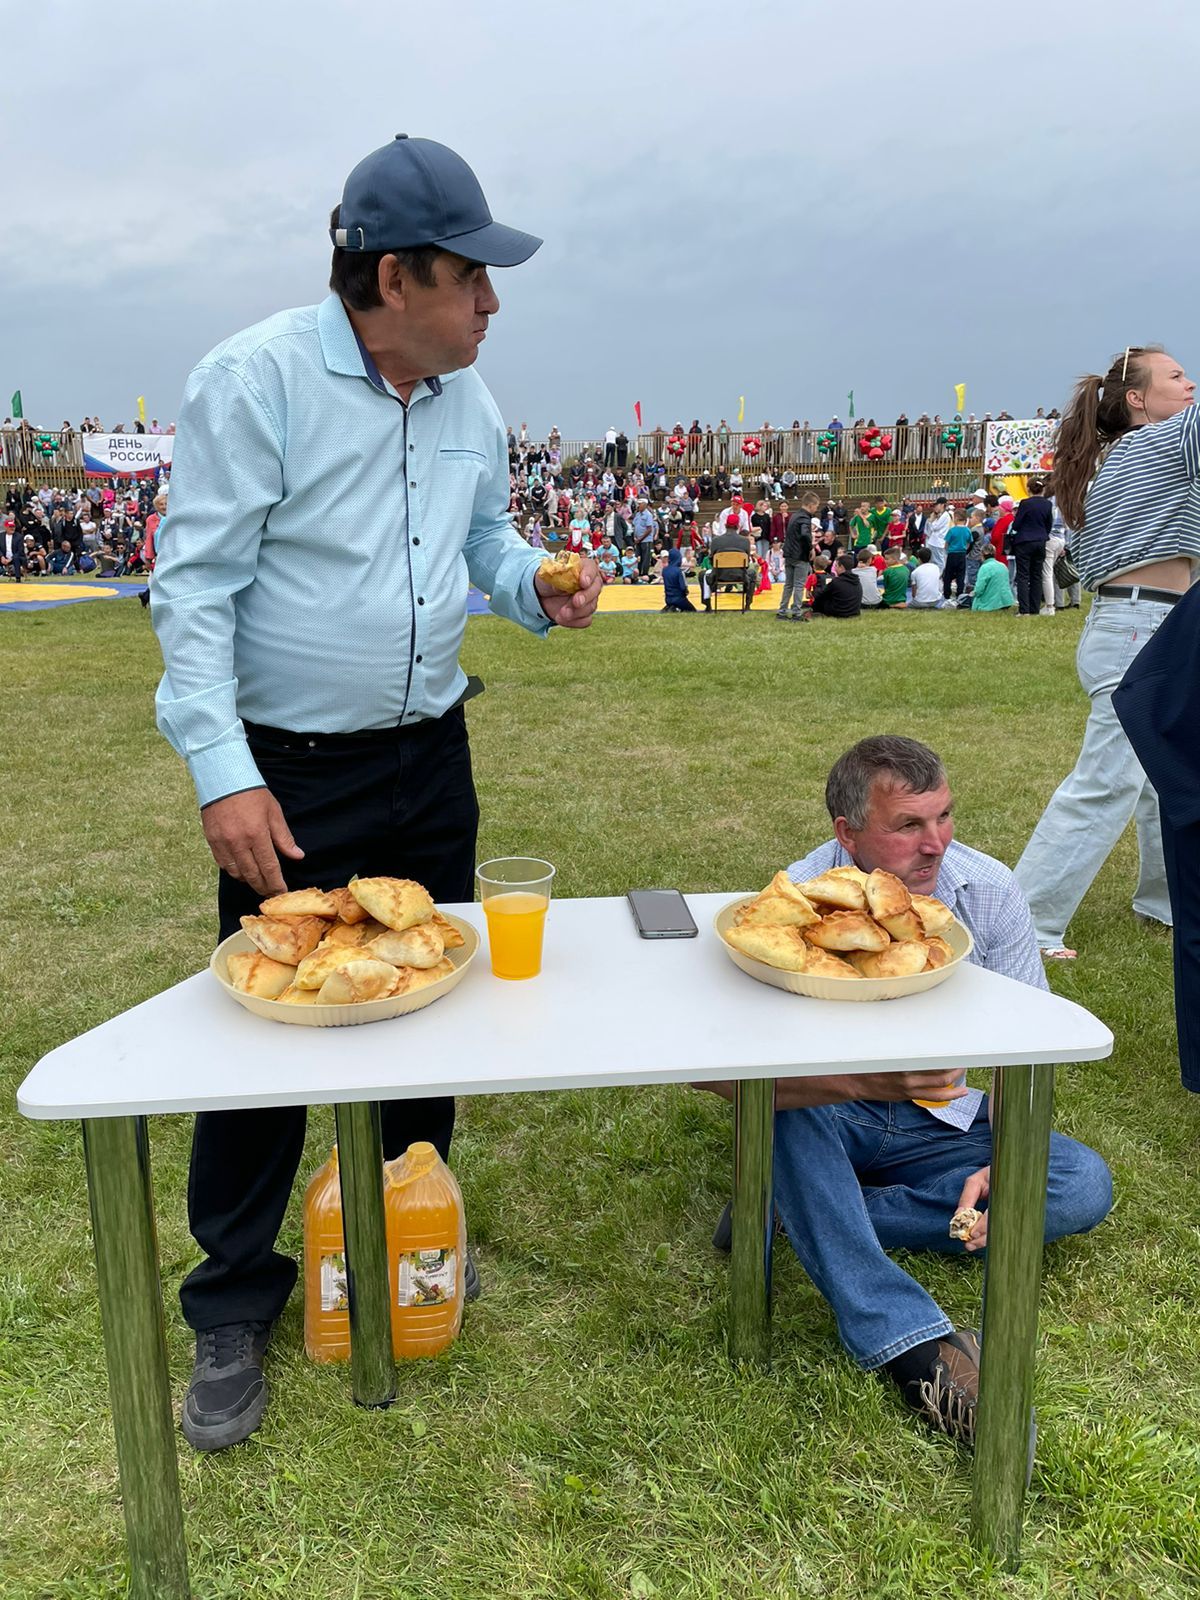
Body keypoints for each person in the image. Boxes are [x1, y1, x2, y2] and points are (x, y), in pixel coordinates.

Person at [152, 135, 601, 1453]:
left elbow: (483, 548)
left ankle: (408, 1244)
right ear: (392, 276)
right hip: (290, 773)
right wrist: (223, 773)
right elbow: (195, 589)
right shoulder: (255, 382)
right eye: (472, 277)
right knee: (266, 1041)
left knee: (427, 1011)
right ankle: (234, 1303)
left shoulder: (473, 401)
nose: (492, 304)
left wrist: (534, 586)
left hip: (426, 757)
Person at [701, 736, 1112, 1446]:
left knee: (1080, 1182)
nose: (937, 846)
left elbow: (1027, 1051)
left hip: (942, 1124)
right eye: (909, 827)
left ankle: (795, 1213)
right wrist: (867, 1080)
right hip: (833, 1113)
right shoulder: (792, 903)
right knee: (785, 1112)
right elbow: (720, 1076)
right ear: (847, 833)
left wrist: (1004, 1162)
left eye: (945, 817)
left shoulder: (987, 890)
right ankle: (917, 1352)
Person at [1014, 346, 1192, 959]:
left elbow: (1077, 564)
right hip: (1140, 626)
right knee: (1108, 780)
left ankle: (1167, 903)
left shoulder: (1126, 458)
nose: (1190, 383)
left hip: (1135, 623)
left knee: (1160, 776)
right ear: (1137, 399)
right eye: (1176, 375)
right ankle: (1024, 923)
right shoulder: (1159, 444)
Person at [1009, 477, 1053, 616]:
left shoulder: (1025, 503)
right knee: (1037, 575)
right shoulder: (1047, 504)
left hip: (1024, 541)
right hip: (1040, 540)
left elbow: (1016, 524)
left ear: (1028, 489)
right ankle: (1034, 608)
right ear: (1043, 489)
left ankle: (1024, 609)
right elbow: (1049, 524)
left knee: (1023, 575)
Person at [777, 491, 817, 620]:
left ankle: (782, 611)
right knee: (799, 585)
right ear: (811, 505)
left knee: (788, 584)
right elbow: (805, 534)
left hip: (789, 554)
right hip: (800, 555)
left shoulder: (794, 515)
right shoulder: (805, 518)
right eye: (816, 506)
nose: (816, 509)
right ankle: (796, 612)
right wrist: (810, 548)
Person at [804, 552, 861, 619]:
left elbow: (821, 595)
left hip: (838, 612)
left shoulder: (836, 582)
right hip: (854, 611)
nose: (835, 568)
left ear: (841, 567)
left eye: (836, 566)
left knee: (821, 598)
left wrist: (813, 595)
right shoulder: (857, 581)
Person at [942, 509, 971, 601]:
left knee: (948, 575)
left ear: (957, 518)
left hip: (952, 554)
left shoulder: (952, 530)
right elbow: (969, 542)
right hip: (962, 554)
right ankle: (960, 593)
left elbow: (946, 543)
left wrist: (947, 550)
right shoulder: (967, 530)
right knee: (960, 575)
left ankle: (947, 593)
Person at [661, 546, 696, 612]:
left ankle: (671, 606)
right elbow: (683, 587)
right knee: (692, 610)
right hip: (679, 599)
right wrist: (686, 592)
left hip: (668, 598)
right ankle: (677, 608)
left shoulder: (664, 570)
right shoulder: (679, 571)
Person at [923, 498, 950, 572]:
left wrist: (932, 520)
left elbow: (934, 527)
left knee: (940, 562)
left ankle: (938, 577)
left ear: (942, 505)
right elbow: (928, 530)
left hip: (939, 542)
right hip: (933, 542)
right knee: (933, 561)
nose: (935, 507)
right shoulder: (940, 515)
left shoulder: (945, 515)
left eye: (937, 505)